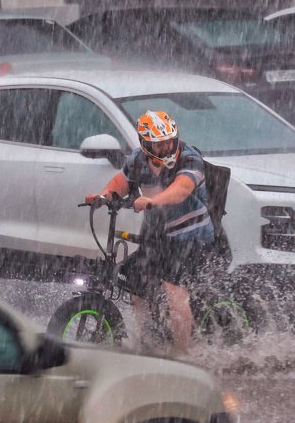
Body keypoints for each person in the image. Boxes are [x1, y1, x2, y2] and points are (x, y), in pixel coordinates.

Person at [85, 110, 215, 354]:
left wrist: (153, 201)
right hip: (158, 237)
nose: (167, 147)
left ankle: (181, 354)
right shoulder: (137, 160)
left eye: (170, 141)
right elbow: (120, 182)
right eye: (159, 144)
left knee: (173, 288)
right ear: (146, 146)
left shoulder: (189, 158)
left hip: (191, 236)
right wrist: (104, 197)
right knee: (136, 283)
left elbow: (182, 189)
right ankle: (148, 343)